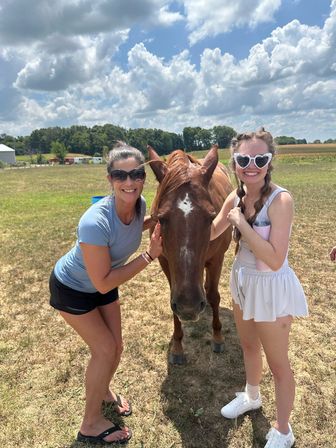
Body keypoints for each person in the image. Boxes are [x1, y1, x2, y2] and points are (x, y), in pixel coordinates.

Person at [49, 141, 162, 445]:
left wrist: (162, 220)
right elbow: (102, 282)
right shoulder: (95, 221)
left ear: (143, 177)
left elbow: (133, 227)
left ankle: (104, 391)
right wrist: (149, 256)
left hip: (103, 284)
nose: (129, 182)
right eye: (120, 176)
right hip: (73, 288)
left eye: (136, 174)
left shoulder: (138, 205)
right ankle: (90, 423)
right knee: (104, 349)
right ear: (109, 179)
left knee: (117, 346)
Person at [210, 128, 308, 448]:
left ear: (269, 161)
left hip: (271, 289)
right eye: (243, 159)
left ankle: (283, 430)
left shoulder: (281, 200)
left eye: (260, 158)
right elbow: (212, 232)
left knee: (279, 365)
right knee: (249, 346)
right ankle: (252, 396)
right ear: (234, 161)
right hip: (243, 284)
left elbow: (276, 259)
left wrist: (240, 223)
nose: (251, 165)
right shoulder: (235, 197)